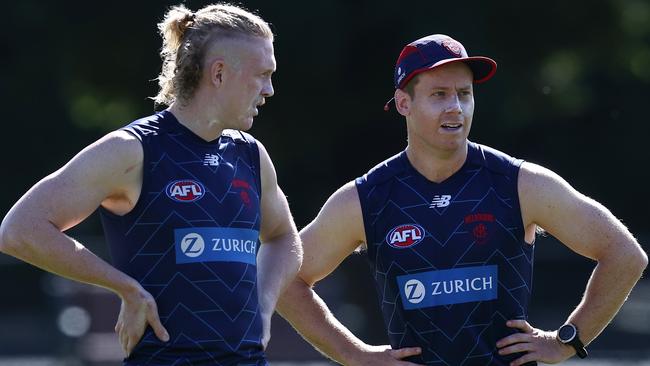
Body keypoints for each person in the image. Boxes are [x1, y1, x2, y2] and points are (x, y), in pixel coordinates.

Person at [277, 34, 647, 366]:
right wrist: (354, 354)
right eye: (439, 95)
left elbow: (625, 255)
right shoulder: (366, 197)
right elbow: (285, 281)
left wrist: (567, 340)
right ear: (404, 103)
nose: (456, 107)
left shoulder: (520, 183)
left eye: (464, 94)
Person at [0, 3, 302, 365]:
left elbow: (284, 237)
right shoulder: (133, 150)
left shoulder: (250, 155)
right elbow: (19, 229)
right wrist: (125, 288)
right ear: (218, 73)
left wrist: (264, 308)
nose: (269, 89)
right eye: (262, 74)